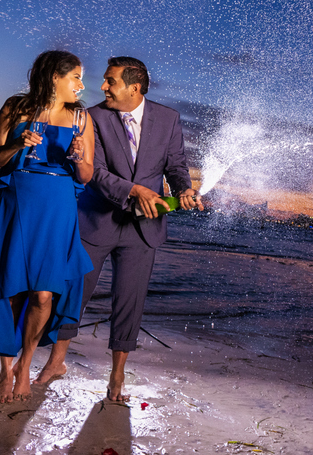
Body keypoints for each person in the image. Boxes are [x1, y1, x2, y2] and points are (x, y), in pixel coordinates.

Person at [35, 56, 202, 402]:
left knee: (130, 302)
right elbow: (92, 170)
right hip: (96, 221)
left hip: (145, 228)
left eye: (111, 81)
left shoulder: (169, 119)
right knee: (72, 295)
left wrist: (183, 189)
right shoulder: (92, 117)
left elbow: (176, 166)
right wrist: (131, 191)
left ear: (134, 87)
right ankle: (56, 362)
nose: (103, 87)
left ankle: (117, 376)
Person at [0, 50, 95, 403]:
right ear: (55, 77)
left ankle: (26, 365)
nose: (81, 84)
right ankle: (5, 370)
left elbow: (87, 174)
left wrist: (76, 158)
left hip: (58, 205)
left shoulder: (80, 117)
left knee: (44, 294)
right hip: (18, 203)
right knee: (11, 289)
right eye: (76, 76)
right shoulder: (15, 107)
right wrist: (17, 143)